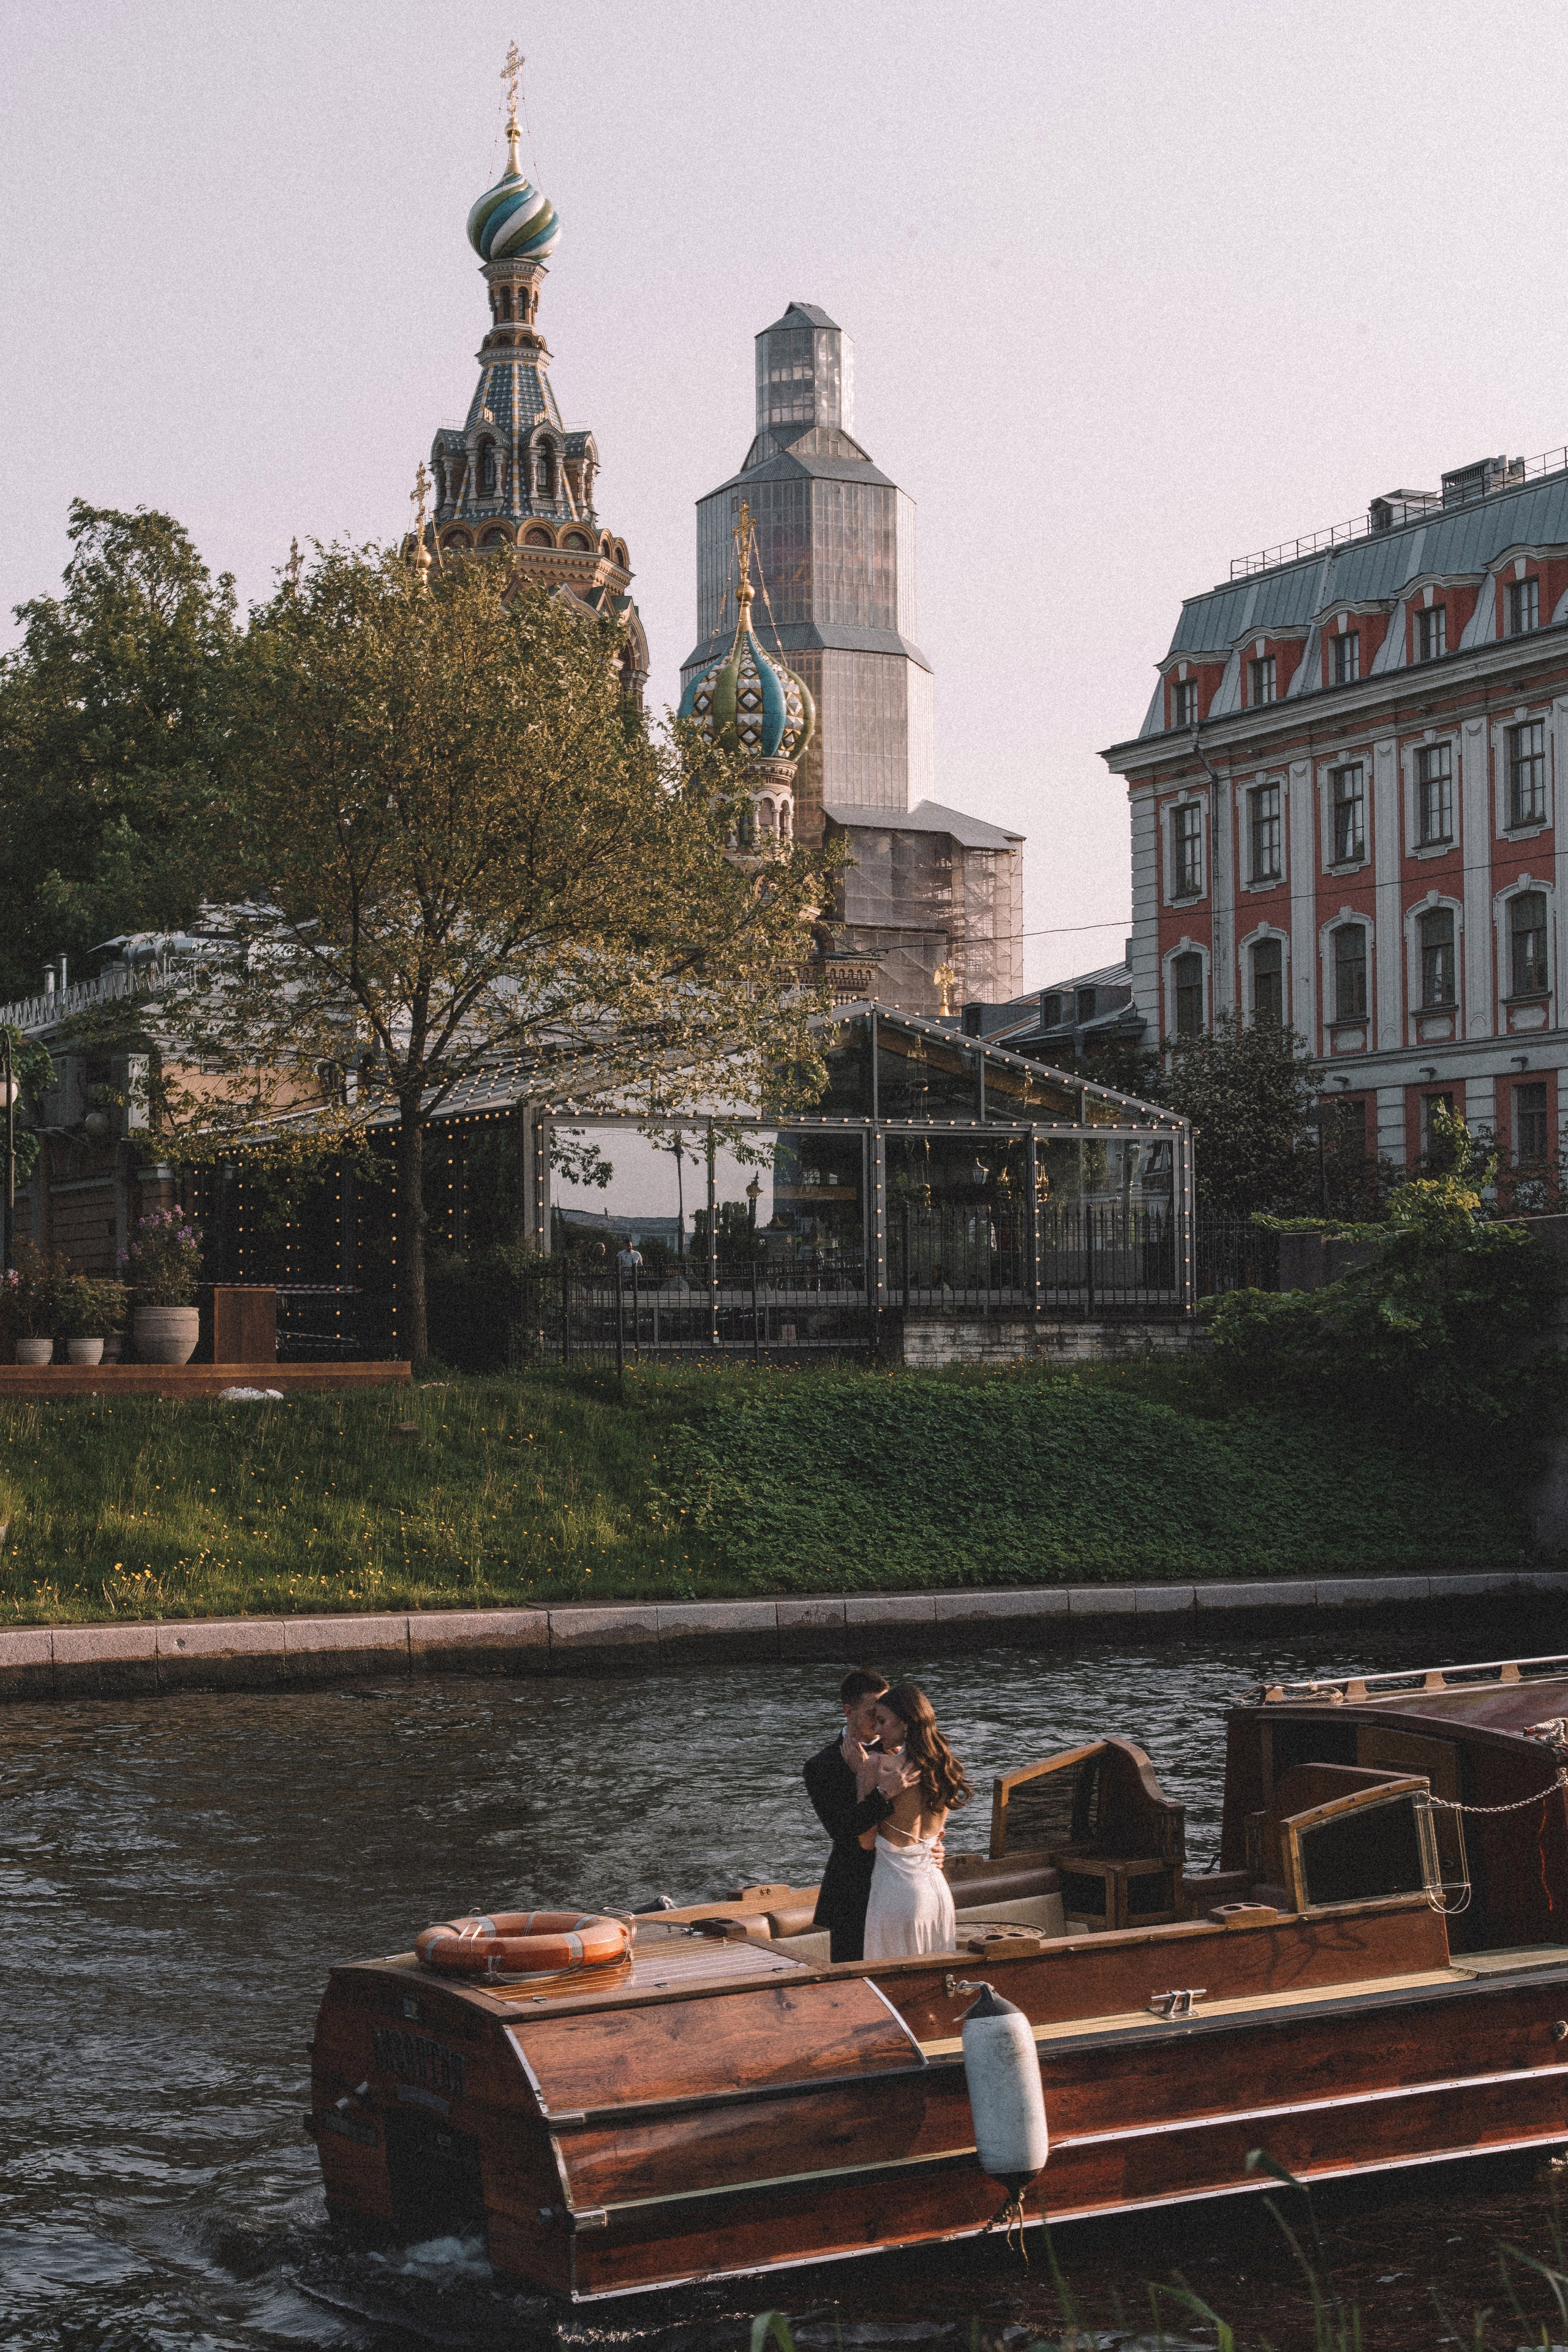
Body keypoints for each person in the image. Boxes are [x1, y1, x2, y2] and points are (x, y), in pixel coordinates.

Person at [803, 1670, 916, 1962]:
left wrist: (934, 1847)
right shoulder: (822, 1766)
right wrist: (870, 1785)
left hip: (900, 1881)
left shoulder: (900, 1754)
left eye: (883, 1715)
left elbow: (918, 1817)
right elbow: (842, 1832)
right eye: (870, 1714)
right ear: (848, 1711)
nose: (879, 1726)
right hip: (853, 1891)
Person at [860, 1682, 971, 1960]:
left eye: (883, 1721)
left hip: (894, 1894)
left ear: (907, 1724)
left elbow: (864, 1840)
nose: (876, 1730)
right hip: (936, 1892)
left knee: (890, 1984)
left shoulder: (877, 1766)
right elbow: (937, 1835)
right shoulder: (945, 1768)